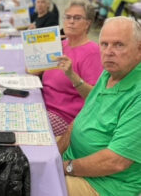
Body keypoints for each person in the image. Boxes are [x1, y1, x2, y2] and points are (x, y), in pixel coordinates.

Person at [58, 17, 141, 196]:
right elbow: (80, 119)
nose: (109, 52)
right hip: (74, 163)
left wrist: (65, 167)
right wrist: (56, 153)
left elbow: (116, 161)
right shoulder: (110, 73)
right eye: (104, 44)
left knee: (32, 185)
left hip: (105, 186)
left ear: (139, 49)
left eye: (119, 45)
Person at [42, 0, 103, 136]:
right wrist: (34, 67)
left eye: (77, 18)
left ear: (88, 24)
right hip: (42, 105)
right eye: (68, 17)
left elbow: (95, 98)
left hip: (64, 118)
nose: (71, 21)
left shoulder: (93, 52)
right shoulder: (60, 45)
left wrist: (72, 75)